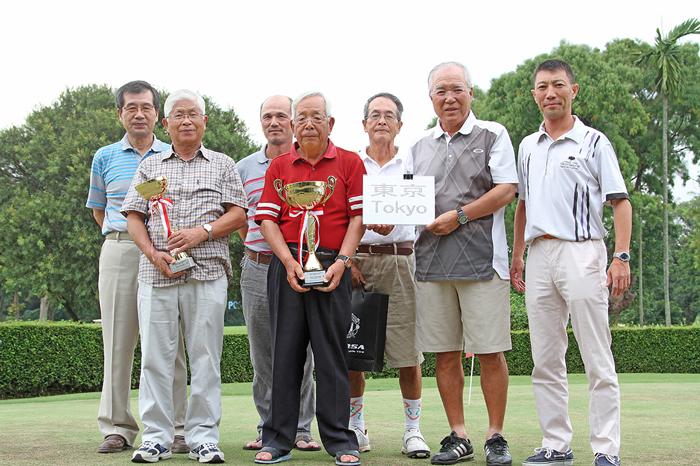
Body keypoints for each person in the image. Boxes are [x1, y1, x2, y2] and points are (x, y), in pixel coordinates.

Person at [510, 59, 631, 466]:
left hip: (583, 250)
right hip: (539, 255)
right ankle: (556, 444)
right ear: (534, 95)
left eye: (558, 85)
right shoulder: (527, 146)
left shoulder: (594, 142)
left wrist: (621, 257)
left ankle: (606, 450)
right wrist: (517, 257)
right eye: (542, 86)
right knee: (545, 358)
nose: (550, 93)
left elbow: (620, 202)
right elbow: (522, 205)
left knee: (596, 354)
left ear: (573, 90)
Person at [122, 89, 247, 464]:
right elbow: (133, 217)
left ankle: (203, 437)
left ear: (204, 121)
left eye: (193, 114)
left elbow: (239, 215)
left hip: (207, 274)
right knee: (156, 358)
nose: (187, 121)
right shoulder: (150, 166)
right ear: (167, 123)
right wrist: (152, 252)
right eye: (179, 115)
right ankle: (157, 437)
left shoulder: (223, 163)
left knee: (206, 356)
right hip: (156, 274)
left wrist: (202, 232)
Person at [406, 61, 517, 466]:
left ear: (471, 93)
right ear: (431, 98)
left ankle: (495, 435)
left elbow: (507, 189)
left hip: (482, 261)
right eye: (441, 91)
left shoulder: (493, 135)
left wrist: (461, 215)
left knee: (490, 352)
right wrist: (387, 218)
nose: (449, 97)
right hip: (431, 265)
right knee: (445, 353)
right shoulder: (417, 147)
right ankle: (458, 435)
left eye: (457, 89)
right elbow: (406, 200)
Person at [254, 91, 365, 465]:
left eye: (317, 117)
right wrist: (287, 262)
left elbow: (357, 219)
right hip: (287, 263)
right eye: (301, 117)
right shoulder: (280, 166)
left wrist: (343, 262)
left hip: (332, 263)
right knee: (284, 352)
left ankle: (340, 440)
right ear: (292, 124)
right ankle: (278, 438)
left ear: (330, 123)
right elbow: (268, 219)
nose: (308, 124)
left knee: (332, 354)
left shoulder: (349, 163)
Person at [86, 80, 189, 455]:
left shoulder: (174, 154)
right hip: (120, 251)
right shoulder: (105, 157)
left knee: (169, 342)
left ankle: (178, 427)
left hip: (165, 251)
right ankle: (117, 427)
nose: (139, 114)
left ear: (157, 114)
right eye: (131, 107)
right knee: (117, 341)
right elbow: (100, 210)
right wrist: (128, 240)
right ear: (120, 114)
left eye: (146, 107)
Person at [236, 95, 319, 452]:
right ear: (261, 122)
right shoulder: (243, 168)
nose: (274, 122)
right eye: (267, 116)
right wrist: (259, 250)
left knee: (303, 352)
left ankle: (300, 428)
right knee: (263, 353)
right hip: (258, 267)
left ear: (293, 122)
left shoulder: (308, 163)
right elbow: (243, 220)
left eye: (281, 116)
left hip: (303, 265)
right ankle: (269, 427)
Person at [348, 92, 429, 459]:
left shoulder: (414, 162)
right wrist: (345, 260)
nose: (381, 121)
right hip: (357, 262)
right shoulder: (350, 165)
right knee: (354, 350)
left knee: (408, 352)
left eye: (389, 115)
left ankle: (413, 431)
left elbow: (424, 211)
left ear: (400, 124)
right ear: (364, 123)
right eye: (375, 115)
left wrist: (398, 217)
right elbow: (338, 217)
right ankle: (355, 427)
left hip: (401, 260)